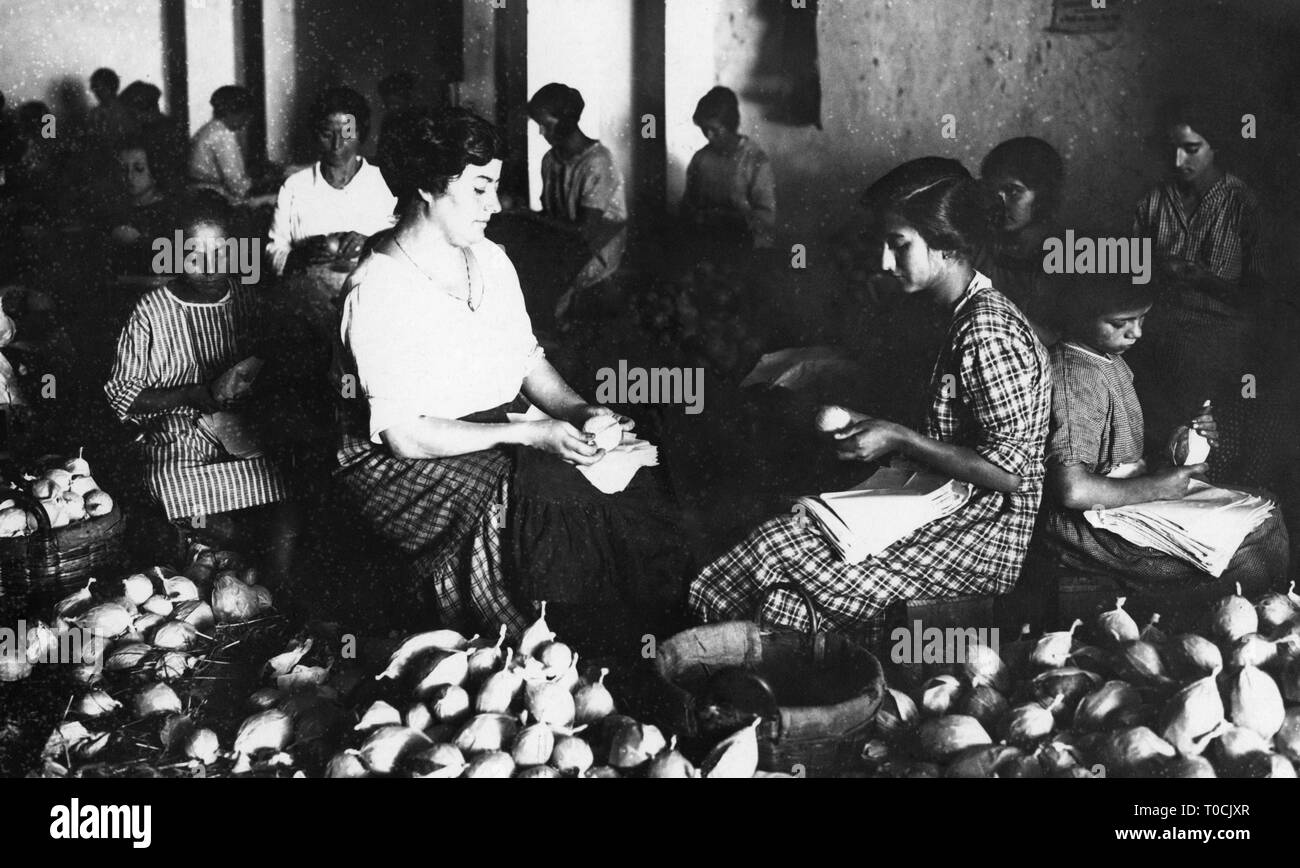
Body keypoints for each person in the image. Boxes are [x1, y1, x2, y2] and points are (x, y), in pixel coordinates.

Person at [333, 108, 690, 648]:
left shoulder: (491, 259)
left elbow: (525, 360)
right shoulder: (378, 289)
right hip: (402, 457)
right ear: (429, 187)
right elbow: (402, 436)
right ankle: (569, 650)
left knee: (634, 471)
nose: (495, 206)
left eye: (495, 187)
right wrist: (529, 434)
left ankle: (646, 640)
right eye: (480, 188)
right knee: (551, 504)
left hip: (495, 428)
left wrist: (576, 410)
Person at [689, 159, 1051, 640]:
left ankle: (743, 672)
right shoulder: (947, 312)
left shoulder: (986, 329)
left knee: (774, 554)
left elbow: (1010, 476)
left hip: (980, 534)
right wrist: (874, 425)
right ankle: (774, 678)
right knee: (775, 569)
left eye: (899, 246)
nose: (883, 262)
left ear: (946, 244)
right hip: (935, 499)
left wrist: (899, 436)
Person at [1034, 275, 1288, 594]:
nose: (1136, 332)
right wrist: (1157, 487)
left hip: (1118, 504)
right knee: (1252, 538)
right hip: (1085, 527)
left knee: (1263, 506)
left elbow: (1117, 453)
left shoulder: (1106, 358)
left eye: (1141, 318)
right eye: (1120, 322)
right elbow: (1072, 490)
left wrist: (1179, 446)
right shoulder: (1075, 377)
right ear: (1077, 314)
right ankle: (1211, 626)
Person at [104, 194, 299, 586]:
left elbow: (278, 365)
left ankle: (256, 567)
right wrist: (192, 395)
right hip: (175, 442)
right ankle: (226, 541)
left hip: (239, 436)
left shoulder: (247, 301)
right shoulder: (151, 310)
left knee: (287, 476)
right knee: (166, 486)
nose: (210, 268)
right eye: (194, 255)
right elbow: (120, 393)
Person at [1129, 96, 1266, 476]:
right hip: (1158, 329)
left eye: (1191, 150)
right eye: (1173, 149)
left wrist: (1204, 280)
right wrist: (1154, 269)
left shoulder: (1242, 203)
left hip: (1221, 338)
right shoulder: (1154, 201)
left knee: (1205, 436)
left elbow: (1260, 298)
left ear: (1215, 145)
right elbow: (1129, 276)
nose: (1179, 162)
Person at [266, 86, 396, 277]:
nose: (337, 145)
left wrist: (371, 242)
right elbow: (274, 249)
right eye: (327, 134)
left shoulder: (384, 182)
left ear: (361, 132)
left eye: (347, 133)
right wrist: (300, 256)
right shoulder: (295, 186)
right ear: (315, 134)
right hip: (310, 295)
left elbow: (406, 247)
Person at [526, 83, 627, 325]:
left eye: (546, 124)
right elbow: (552, 216)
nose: (541, 132)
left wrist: (530, 217)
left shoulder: (598, 161)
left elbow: (586, 231)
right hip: (567, 247)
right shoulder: (550, 161)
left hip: (597, 252)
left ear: (567, 121)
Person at [978, 136, 1065, 344]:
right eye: (994, 191)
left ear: (1043, 194)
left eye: (1013, 191)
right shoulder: (983, 248)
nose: (999, 202)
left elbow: (1061, 342)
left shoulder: (1064, 257)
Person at [681, 86, 777, 250]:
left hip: (746, 247)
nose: (709, 136)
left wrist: (730, 220)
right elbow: (687, 205)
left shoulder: (755, 160)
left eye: (715, 130)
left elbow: (766, 217)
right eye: (705, 130)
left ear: (730, 125)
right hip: (707, 244)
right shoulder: (700, 159)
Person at [106, 138, 173, 277]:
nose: (129, 176)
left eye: (139, 169)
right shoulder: (113, 210)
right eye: (124, 169)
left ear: (154, 170)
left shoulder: (170, 210)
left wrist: (139, 242)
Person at [189, 86, 257, 204]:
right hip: (215, 197)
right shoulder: (222, 134)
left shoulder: (209, 129)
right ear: (232, 112)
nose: (247, 121)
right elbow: (235, 183)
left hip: (200, 194)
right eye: (245, 115)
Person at [119, 81, 188, 189]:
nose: (127, 117)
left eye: (130, 113)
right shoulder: (161, 127)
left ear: (140, 111)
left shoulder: (160, 133)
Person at [86, 68, 134, 147]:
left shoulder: (125, 111)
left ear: (109, 87)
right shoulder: (93, 113)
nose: (95, 91)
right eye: (94, 87)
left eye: (98, 87)